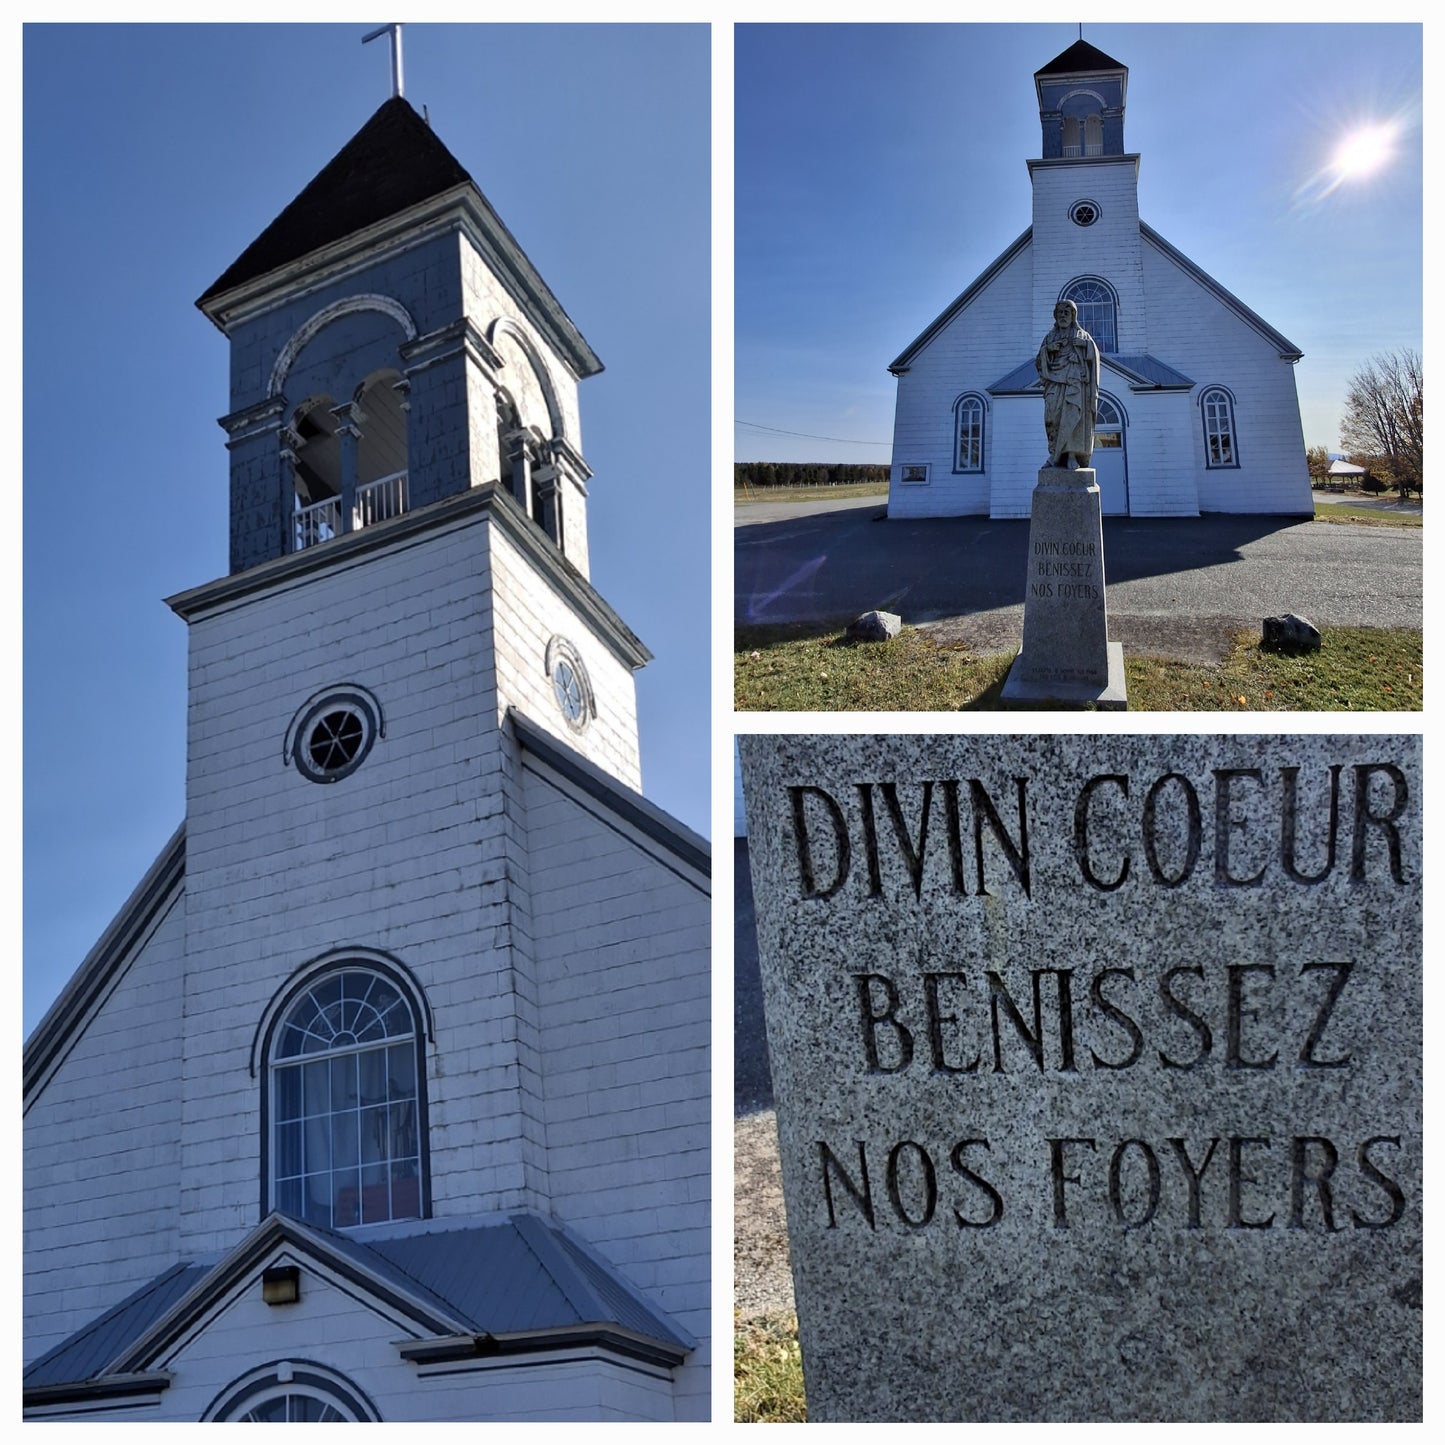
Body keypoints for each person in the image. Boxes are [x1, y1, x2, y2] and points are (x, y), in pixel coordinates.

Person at [1035, 299, 1100, 468]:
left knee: (1072, 416)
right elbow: (1038, 362)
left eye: (1067, 312)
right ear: (1055, 316)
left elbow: (1095, 358)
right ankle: (1054, 453)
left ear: (1073, 315)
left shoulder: (1082, 336)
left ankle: (1070, 455)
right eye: (1060, 312)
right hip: (1054, 383)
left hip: (1074, 382)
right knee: (1052, 418)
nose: (1063, 315)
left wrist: (1086, 346)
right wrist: (1048, 350)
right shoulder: (1049, 337)